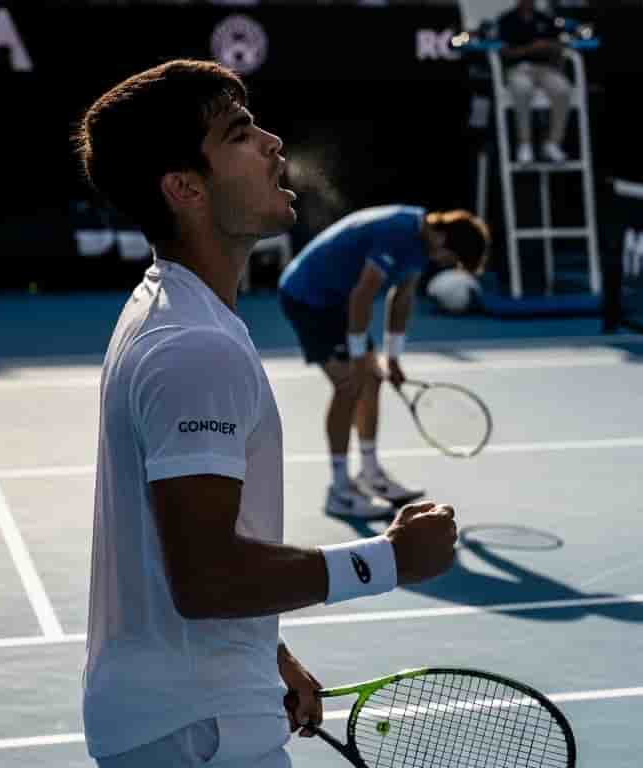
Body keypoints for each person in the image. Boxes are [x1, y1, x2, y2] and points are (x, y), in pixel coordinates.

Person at [75, 59, 458, 768]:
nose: (274, 142)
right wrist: (390, 560)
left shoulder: (177, 311)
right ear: (185, 188)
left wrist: (267, 651)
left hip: (196, 710)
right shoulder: (193, 345)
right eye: (240, 132)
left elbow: (193, 552)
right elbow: (205, 576)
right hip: (196, 732)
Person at [277, 206, 490, 519]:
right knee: (348, 384)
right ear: (445, 239)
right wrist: (358, 355)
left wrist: (392, 358)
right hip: (308, 297)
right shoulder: (398, 234)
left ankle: (371, 473)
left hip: (337, 299)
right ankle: (339, 490)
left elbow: (401, 297)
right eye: (452, 258)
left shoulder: (421, 242)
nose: (447, 264)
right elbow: (362, 296)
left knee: (372, 379)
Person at [497, 0, 573, 165]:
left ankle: (553, 143)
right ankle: (525, 143)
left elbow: (559, 45)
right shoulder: (506, 20)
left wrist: (550, 47)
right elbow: (504, 53)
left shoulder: (545, 18)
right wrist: (530, 49)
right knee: (523, 88)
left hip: (545, 69)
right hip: (519, 69)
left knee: (563, 88)